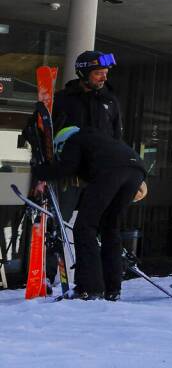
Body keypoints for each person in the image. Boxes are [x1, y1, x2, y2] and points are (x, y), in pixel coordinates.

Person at [32, 123, 147, 300]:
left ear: (61, 144)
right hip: (137, 171)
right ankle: (112, 289)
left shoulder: (73, 140)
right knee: (110, 228)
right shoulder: (99, 140)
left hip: (111, 171)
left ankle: (89, 288)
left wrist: (39, 171)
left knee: (84, 227)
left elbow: (66, 168)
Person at [52, 51, 123, 140]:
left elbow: (117, 136)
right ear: (83, 74)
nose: (104, 78)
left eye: (106, 73)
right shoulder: (62, 99)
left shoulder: (110, 100)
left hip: (101, 149)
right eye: (98, 73)